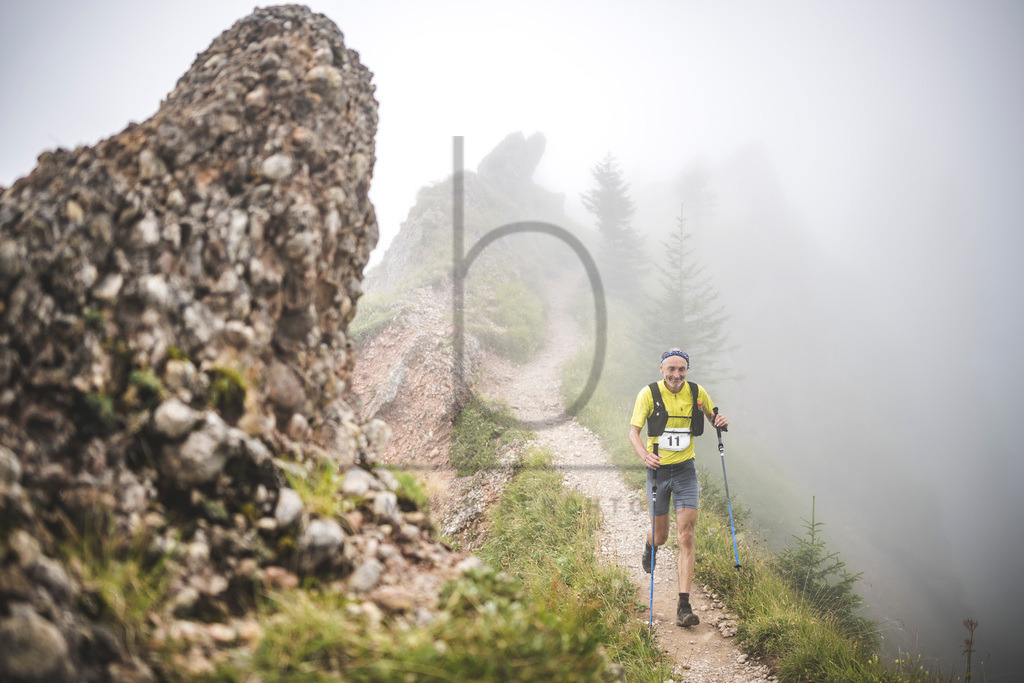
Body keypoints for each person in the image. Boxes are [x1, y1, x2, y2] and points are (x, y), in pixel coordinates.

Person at [629, 348, 729, 627]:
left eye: (681, 369)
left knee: (686, 535)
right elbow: (633, 433)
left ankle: (684, 606)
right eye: (671, 369)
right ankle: (650, 543)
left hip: (685, 471)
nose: (676, 374)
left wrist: (720, 421)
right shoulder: (648, 393)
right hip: (658, 472)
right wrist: (644, 455)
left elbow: (713, 418)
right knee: (661, 536)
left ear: (687, 370)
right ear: (662, 369)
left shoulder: (697, 392)